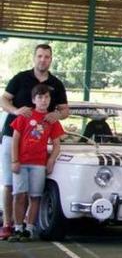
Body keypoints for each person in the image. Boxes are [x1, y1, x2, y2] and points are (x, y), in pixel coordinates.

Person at [0, 44, 68, 241]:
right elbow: (3, 100)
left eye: (47, 57)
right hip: (12, 136)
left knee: (34, 192)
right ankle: (8, 224)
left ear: (51, 59)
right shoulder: (20, 78)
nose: (43, 60)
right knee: (9, 183)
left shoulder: (57, 83)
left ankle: (28, 227)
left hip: (37, 148)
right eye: (39, 56)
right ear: (34, 58)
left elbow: (65, 110)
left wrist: (56, 115)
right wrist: (15, 111)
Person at [8, 84, 64, 242]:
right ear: (34, 100)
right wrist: (14, 160)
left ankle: (29, 229)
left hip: (39, 164)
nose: (43, 100)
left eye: (46, 97)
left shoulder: (52, 120)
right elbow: (15, 139)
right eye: (40, 97)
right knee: (19, 195)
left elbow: (57, 144)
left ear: (50, 100)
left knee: (35, 196)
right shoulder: (25, 116)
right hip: (21, 162)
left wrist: (51, 159)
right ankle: (18, 228)